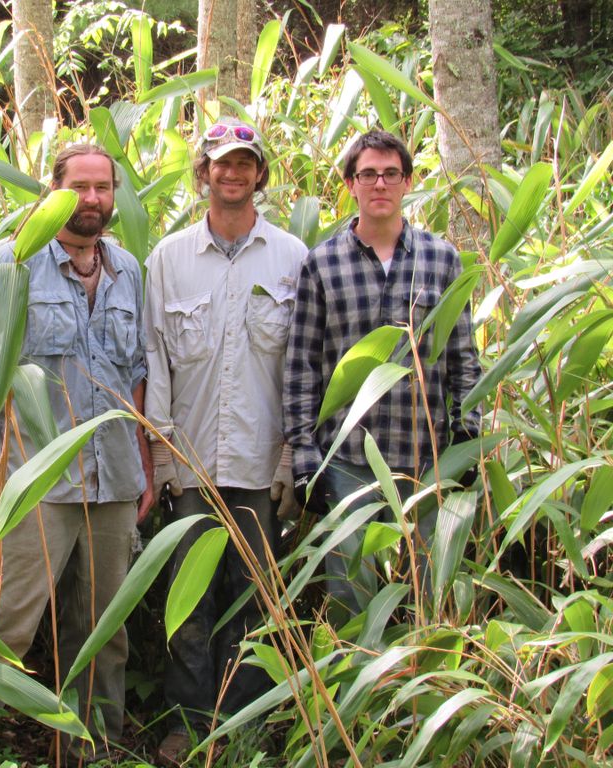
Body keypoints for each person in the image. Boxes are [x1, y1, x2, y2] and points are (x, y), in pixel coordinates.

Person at [0, 144, 154, 760]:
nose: (91, 198)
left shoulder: (127, 270)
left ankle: (91, 749)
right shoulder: (11, 264)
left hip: (114, 480)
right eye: (78, 186)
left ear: (115, 195)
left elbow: (136, 373)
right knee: (3, 624)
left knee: (103, 632)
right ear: (51, 192)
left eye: (103, 187)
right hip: (34, 479)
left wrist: (142, 462)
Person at [144, 118, 307, 763]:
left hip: (261, 464)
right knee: (187, 600)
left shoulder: (292, 256)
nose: (233, 173)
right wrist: (162, 460)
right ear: (204, 173)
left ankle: (242, 727)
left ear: (259, 174)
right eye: (221, 163)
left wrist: (290, 461)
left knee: (254, 597)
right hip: (190, 465)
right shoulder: (169, 259)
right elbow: (156, 360)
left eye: (245, 163)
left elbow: (302, 366)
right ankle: (186, 724)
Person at [284, 129, 482, 618]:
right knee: (350, 593)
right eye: (368, 174)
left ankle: (427, 664)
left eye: (391, 174)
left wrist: (467, 438)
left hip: (427, 456)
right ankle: (354, 666)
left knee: (430, 590)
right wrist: (305, 456)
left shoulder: (441, 259)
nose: (379, 184)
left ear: (408, 182)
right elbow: (302, 366)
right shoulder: (322, 264)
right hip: (348, 459)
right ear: (350, 183)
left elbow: (463, 358)